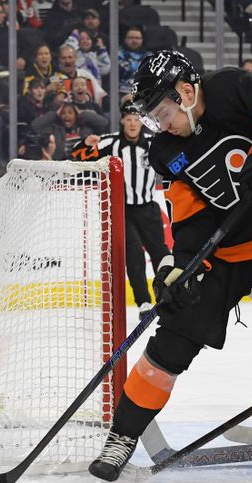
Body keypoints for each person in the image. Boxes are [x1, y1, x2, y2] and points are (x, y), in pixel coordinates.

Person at [87, 50, 252, 483]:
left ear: (186, 92)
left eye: (162, 113)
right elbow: (190, 222)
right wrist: (181, 268)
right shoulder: (166, 151)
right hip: (230, 250)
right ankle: (122, 436)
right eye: (151, 118)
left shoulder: (235, 90)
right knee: (176, 331)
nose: (159, 125)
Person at [72, 102, 170, 321]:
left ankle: (167, 297)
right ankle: (144, 302)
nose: (133, 123)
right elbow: (79, 154)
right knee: (133, 255)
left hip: (148, 208)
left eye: (137, 119)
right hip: (123, 211)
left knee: (161, 254)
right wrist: (85, 142)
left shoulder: (153, 143)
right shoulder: (111, 142)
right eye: (129, 119)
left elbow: (178, 154)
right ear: (123, 121)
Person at [118, 26, 149, 98]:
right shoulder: (118, 55)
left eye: (137, 38)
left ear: (142, 40)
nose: (134, 41)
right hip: (121, 93)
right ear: (125, 40)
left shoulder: (149, 56)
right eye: (131, 38)